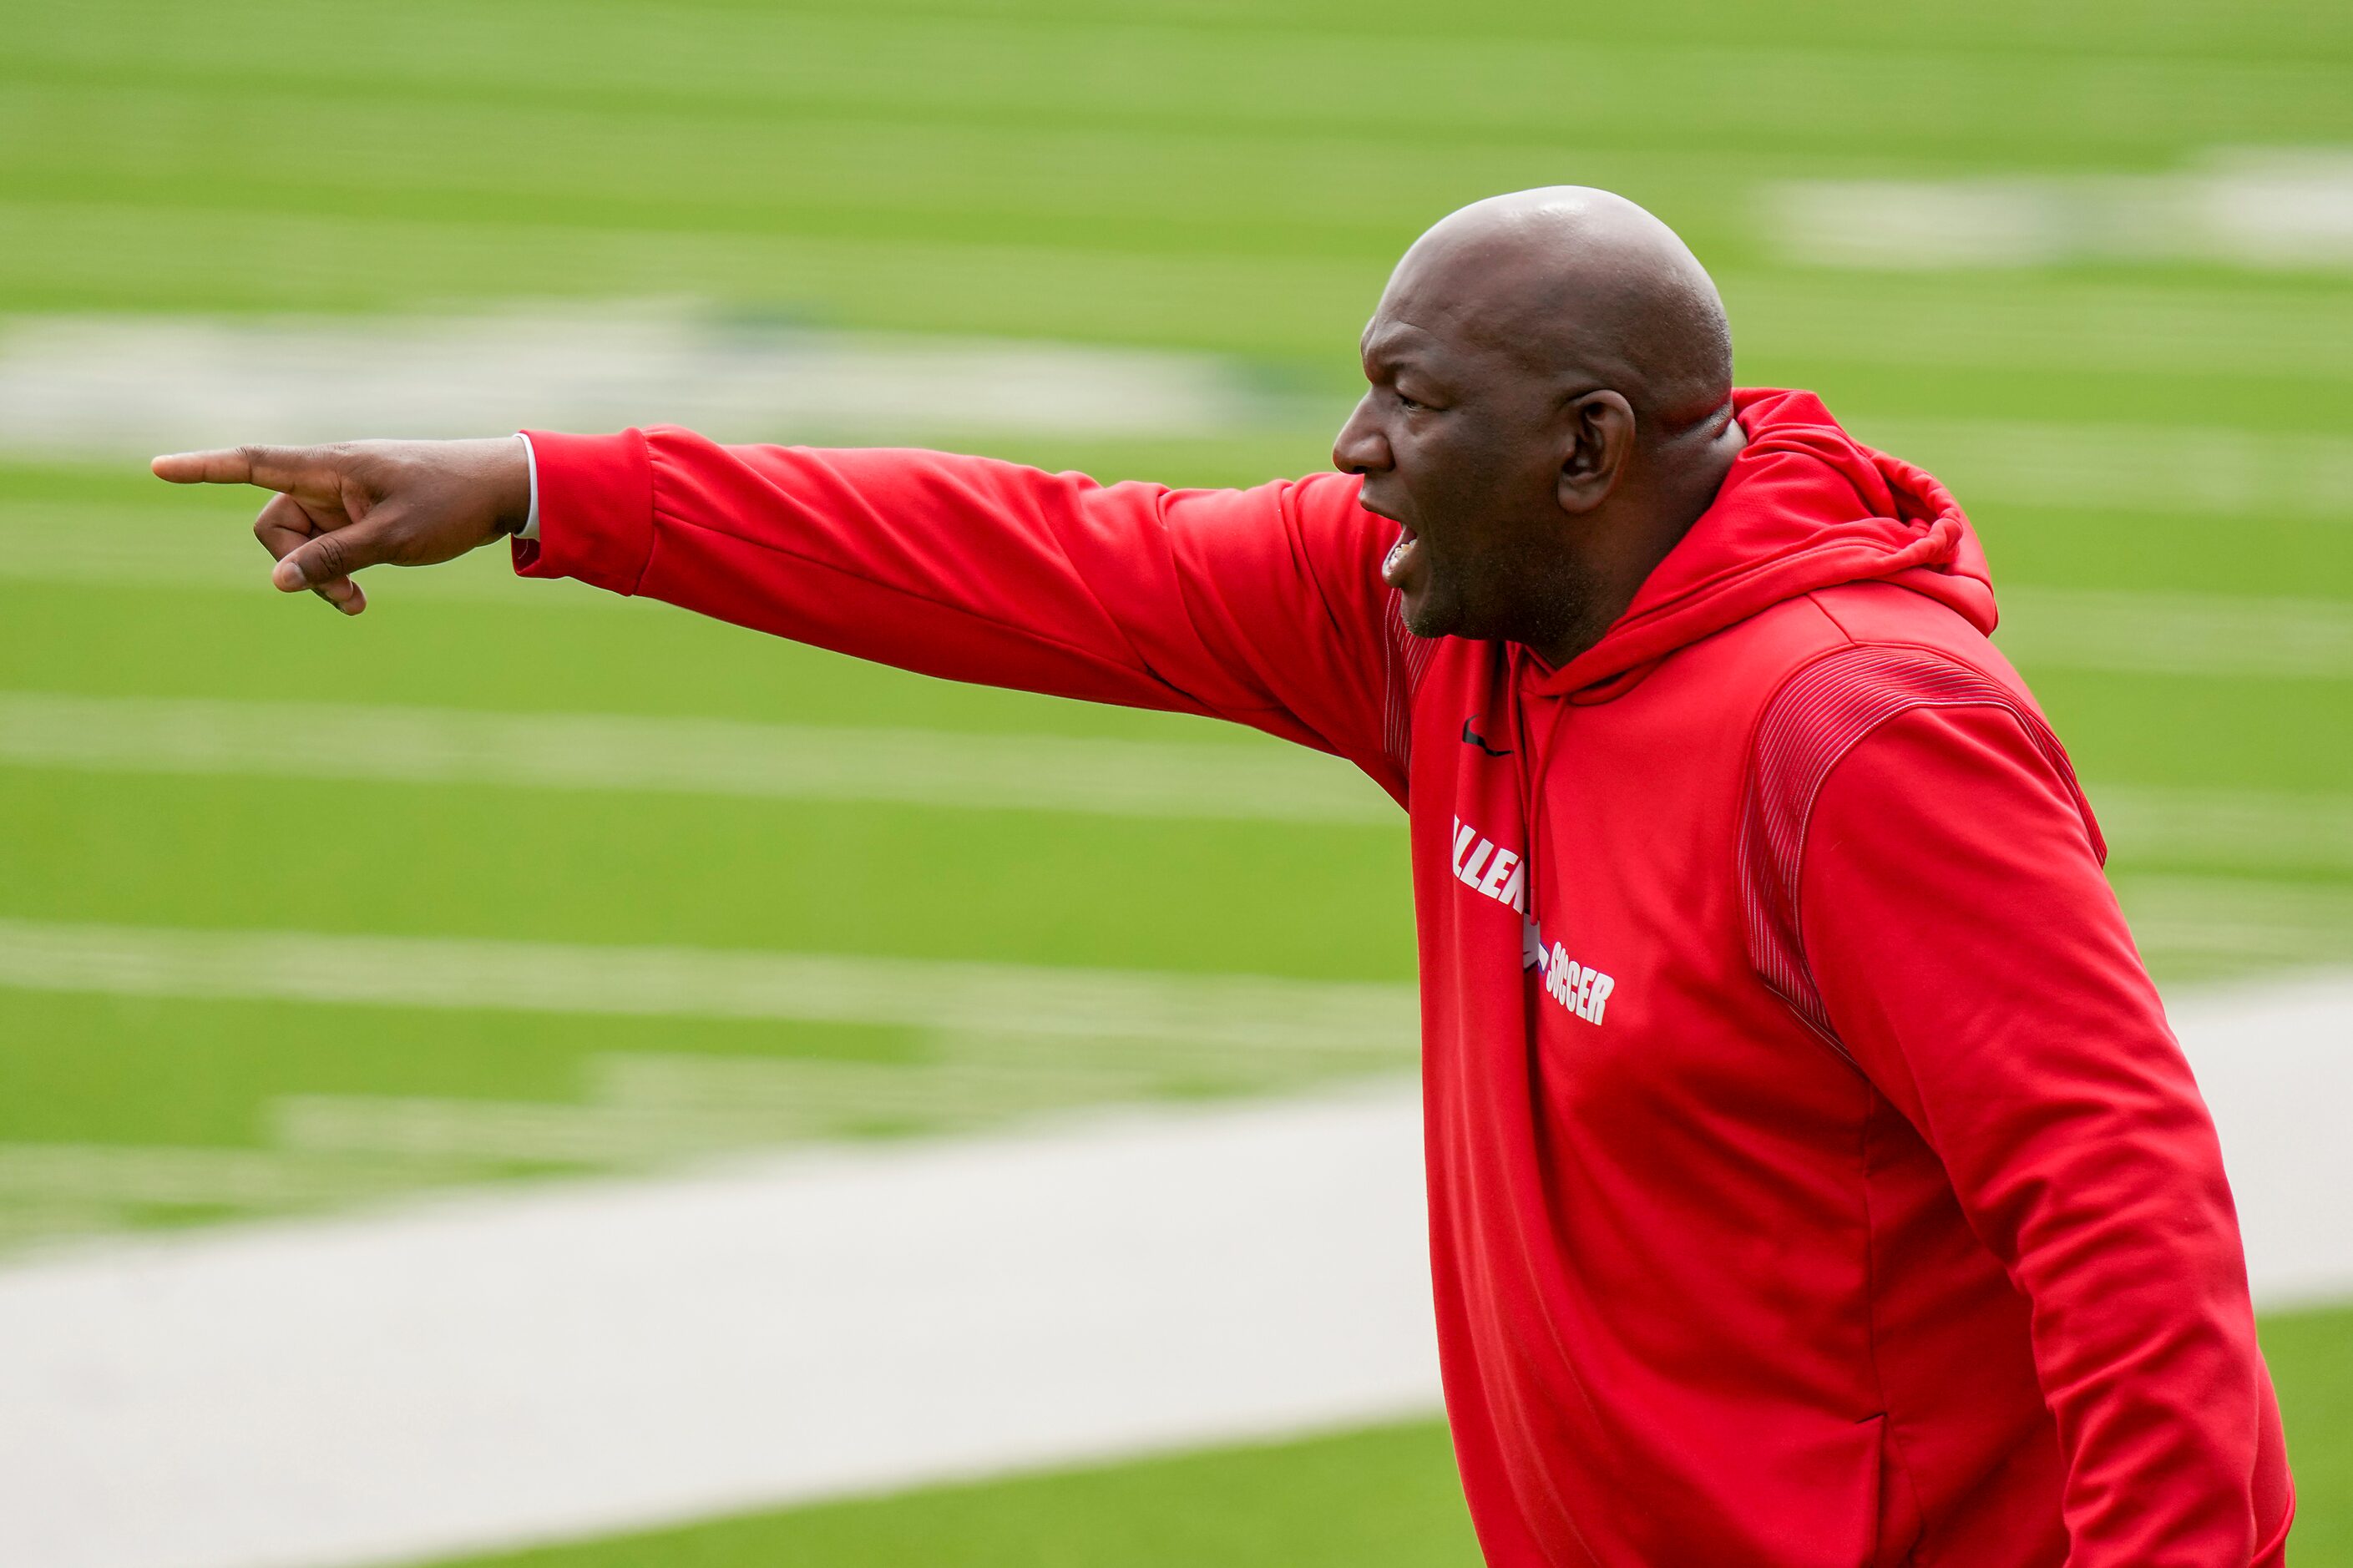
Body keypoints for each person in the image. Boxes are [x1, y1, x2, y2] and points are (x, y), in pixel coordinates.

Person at [153, 188, 2291, 1565]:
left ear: (1586, 450)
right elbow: (1028, 553)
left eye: (1402, 401)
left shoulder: (1858, 732)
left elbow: (2120, 1216)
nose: (1350, 454)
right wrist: (550, 490)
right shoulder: (1433, 615)